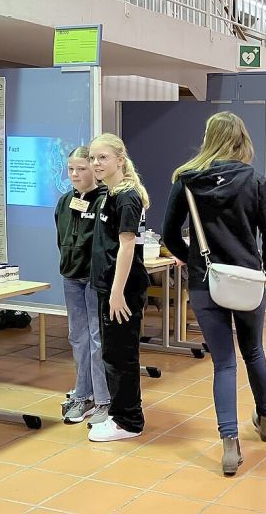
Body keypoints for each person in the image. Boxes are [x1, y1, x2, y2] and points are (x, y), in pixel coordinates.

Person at [162, 112, 266, 476]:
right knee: (254, 351)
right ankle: (265, 419)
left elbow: (168, 234)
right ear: (242, 139)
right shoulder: (255, 181)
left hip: (205, 284)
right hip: (246, 280)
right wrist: (263, 268)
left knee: (224, 363)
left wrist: (194, 263)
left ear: (208, 138)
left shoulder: (186, 180)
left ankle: (230, 444)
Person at [86, 133, 150, 442]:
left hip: (120, 291)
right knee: (112, 353)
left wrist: (116, 292)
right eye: (93, 158)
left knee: (120, 355)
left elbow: (127, 248)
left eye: (103, 158)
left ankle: (129, 421)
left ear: (119, 160)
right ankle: (119, 412)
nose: (96, 163)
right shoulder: (108, 194)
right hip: (108, 287)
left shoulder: (127, 196)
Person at [55, 146, 110, 425]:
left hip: (94, 280)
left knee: (97, 338)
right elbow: (61, 235)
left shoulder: (104, 201)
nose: (75, 174)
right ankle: (83, 394)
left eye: (82, 169)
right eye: (71, 169)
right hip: (71, 277)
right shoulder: (65, 201)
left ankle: (103, 400)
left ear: (94, 170)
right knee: (78, 338)